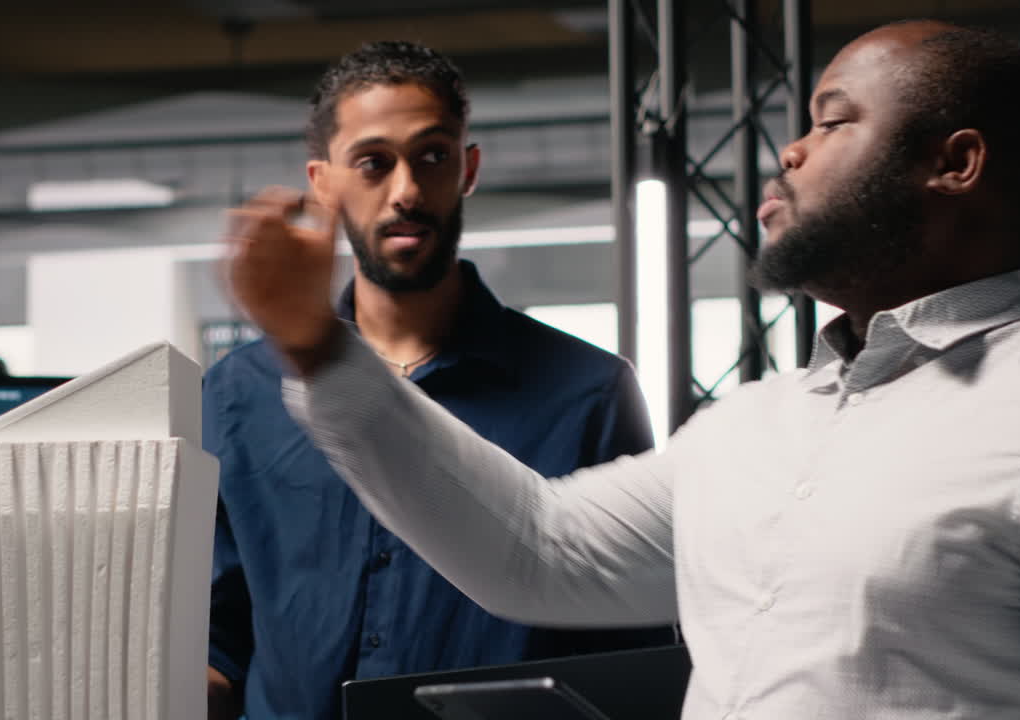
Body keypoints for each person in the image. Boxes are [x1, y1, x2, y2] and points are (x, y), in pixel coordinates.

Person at [223, 20, 1020, 720]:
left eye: (832, 121)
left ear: (956, 163)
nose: (790, 152)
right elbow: (533, 547)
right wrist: (320, 349)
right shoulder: (752, 428)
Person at [205, 41, 673, 720]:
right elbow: (216, 638)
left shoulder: (588, 392)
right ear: (323, 182)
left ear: (468, 168)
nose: (406, 191)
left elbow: (632, 656)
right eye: (373, 163)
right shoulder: (235, 393)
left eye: (432, 156)